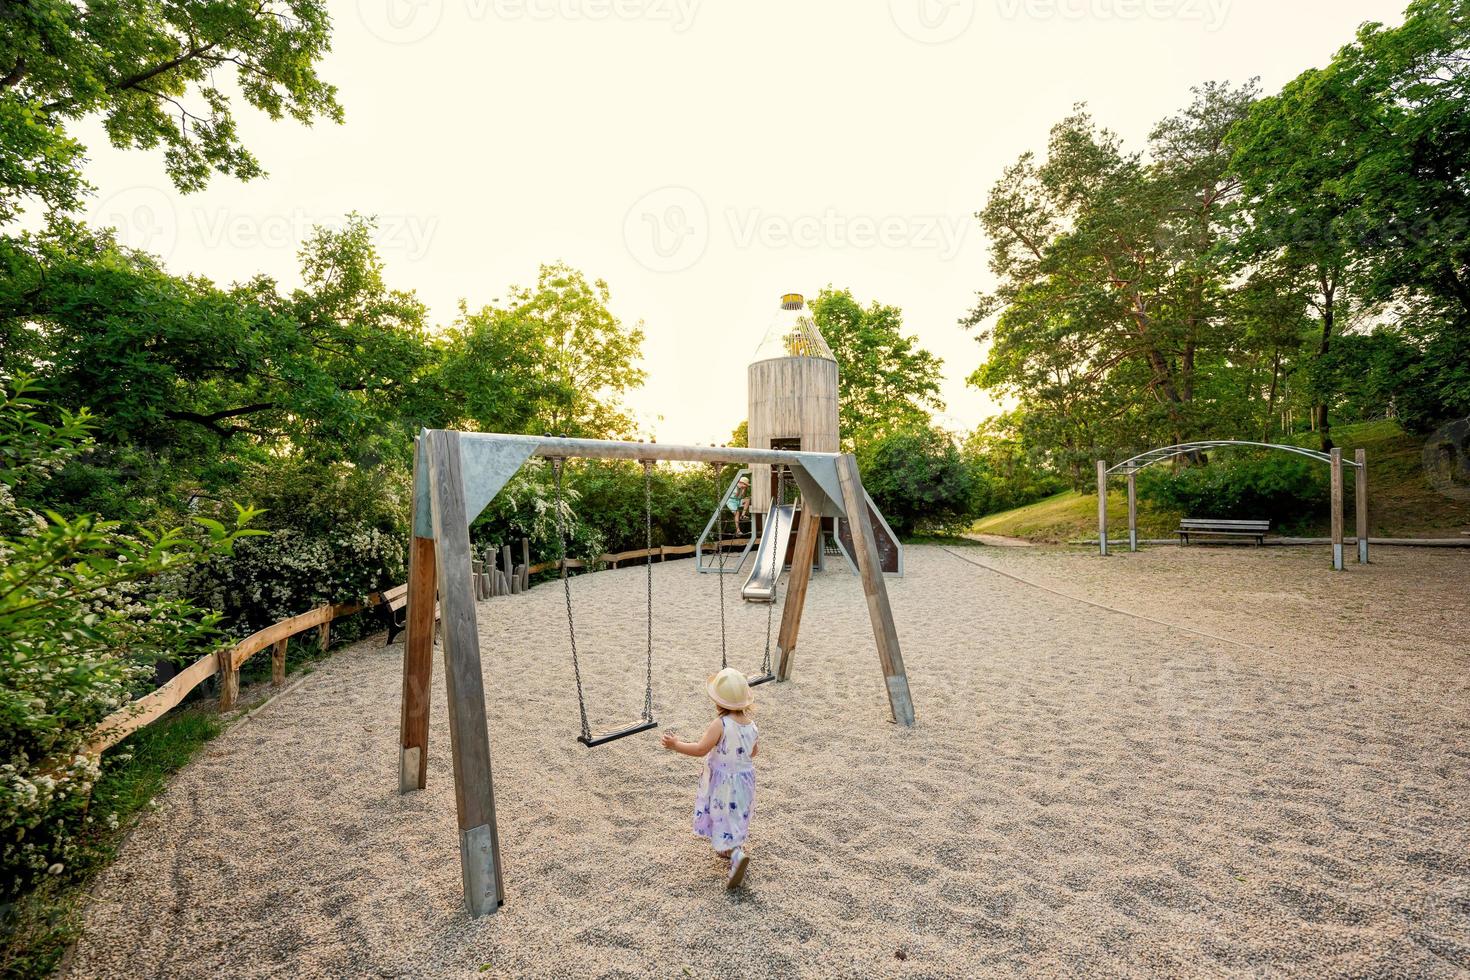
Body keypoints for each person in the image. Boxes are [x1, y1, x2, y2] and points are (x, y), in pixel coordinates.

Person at [660, 667, 759, 889]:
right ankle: (730, 847)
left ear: (718, 702)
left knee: (721, 813)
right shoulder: (751, 725)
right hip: (745, 781)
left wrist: (676, 745)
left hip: (724, 783)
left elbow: (700, 749)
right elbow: (753, 752)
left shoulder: (720, 724)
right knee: (736, 815)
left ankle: (736, 855)